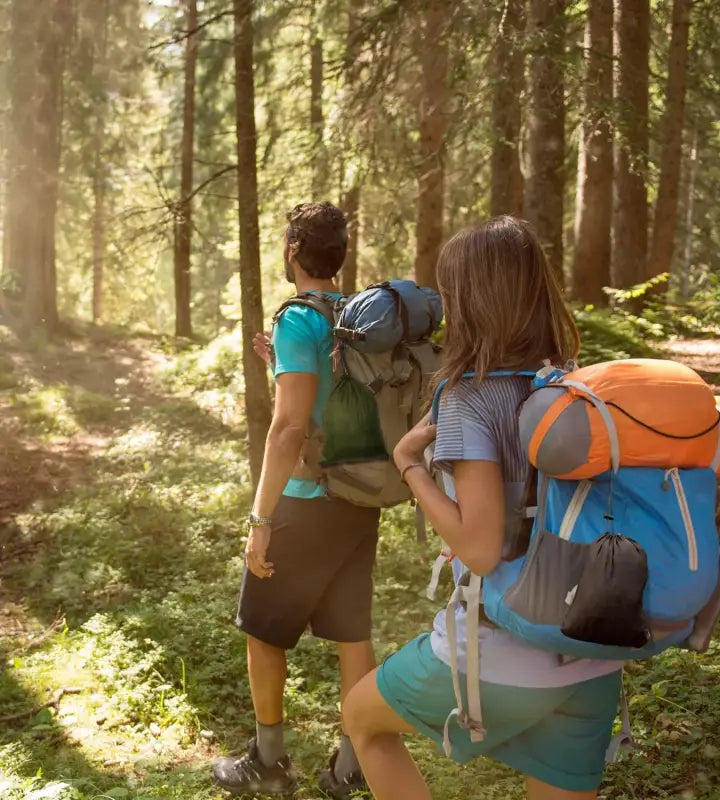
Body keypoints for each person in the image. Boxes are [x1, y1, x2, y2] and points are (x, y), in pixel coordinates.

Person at [342, 216, 625, 800]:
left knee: (362, 720)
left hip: (499, 654)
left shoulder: (472, 395)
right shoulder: (573, 384)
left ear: (470, 299)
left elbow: (480, 545)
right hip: (593, 658)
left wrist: (409, 465)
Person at [212, 202, 380, 798]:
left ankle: (268, 762)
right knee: (352, 634)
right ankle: (353, 765)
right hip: (358, 500)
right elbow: (332, 399)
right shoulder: (351, 315)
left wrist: (261, 518)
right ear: (337, 257)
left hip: (306, 501)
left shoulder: (298, 320)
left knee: (262, 630)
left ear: (290, 251)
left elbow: (287, 432)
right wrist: (281, 363)